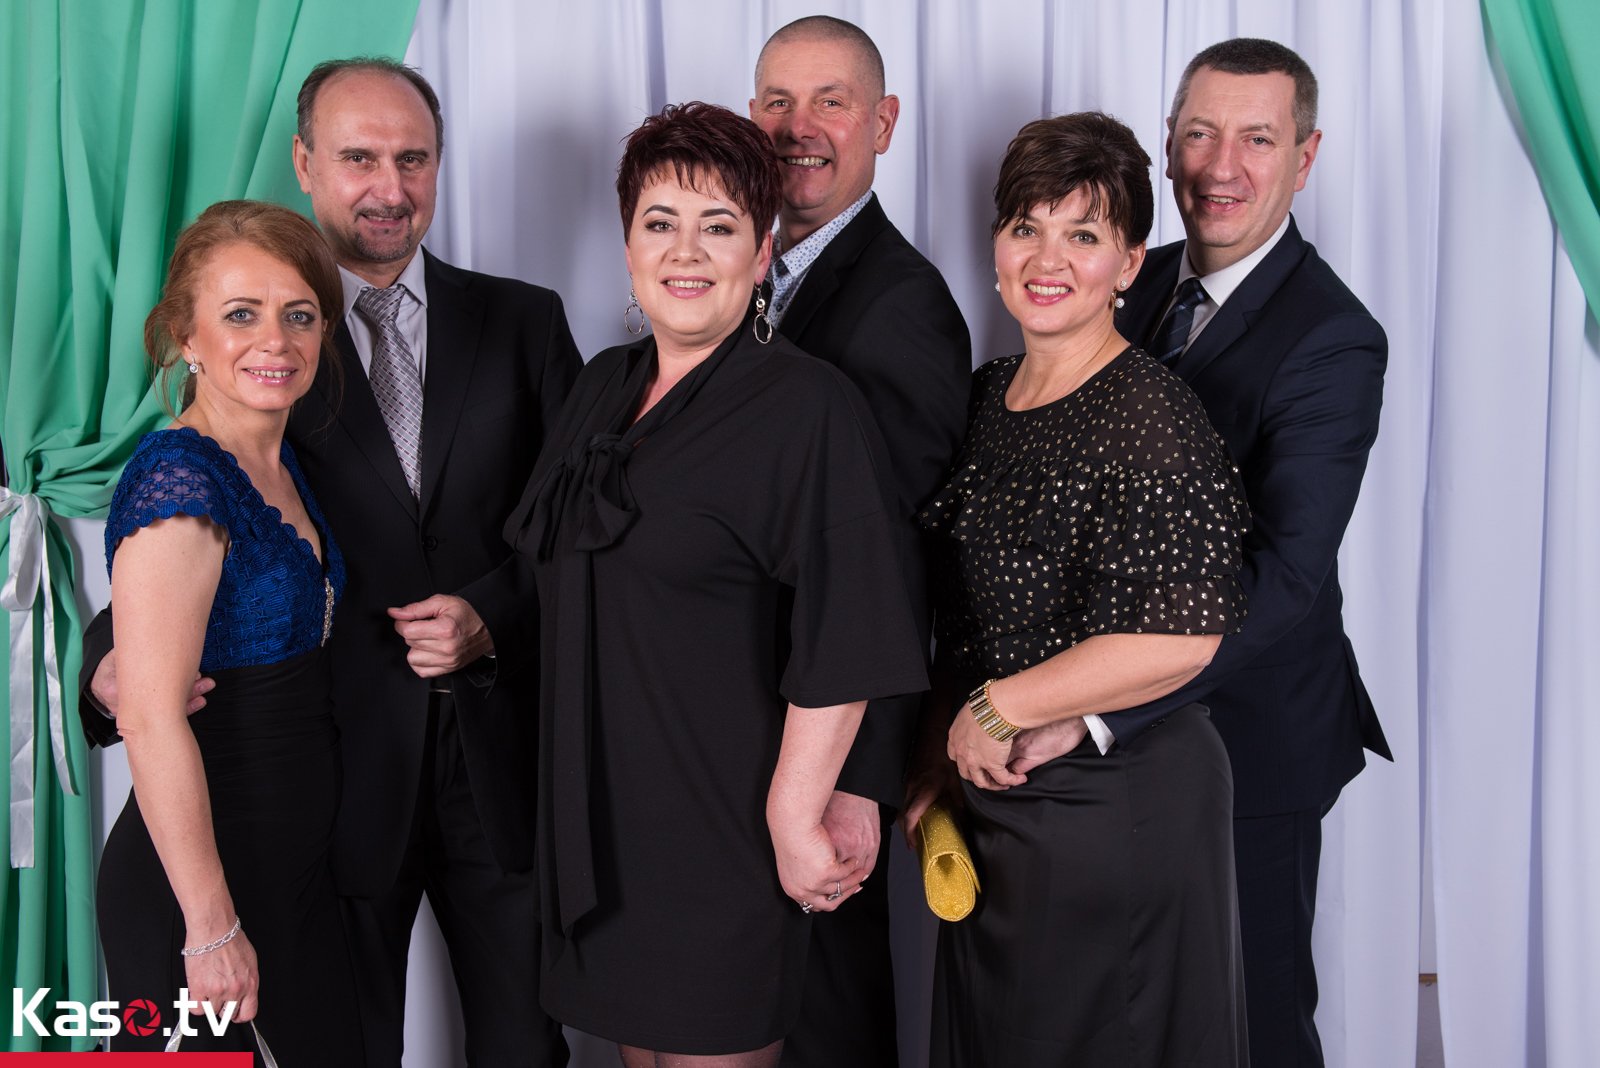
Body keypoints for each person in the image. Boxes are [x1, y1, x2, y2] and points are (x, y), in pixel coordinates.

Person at [82, 58, 582, 1066]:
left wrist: (492, 613)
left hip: (495, 768)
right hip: (335, 783)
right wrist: (109, 664)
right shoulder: (265, 331)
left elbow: (576, 532)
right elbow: (178, 521)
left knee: (526, 1049)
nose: (388, 188)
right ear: (305, 164)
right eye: (359, 158)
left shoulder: (523, 323)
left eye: (412, 159)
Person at [505, 101, 927, 1067]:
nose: (685, 251)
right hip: (600, 822)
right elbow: (550, 566)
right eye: (660, 223)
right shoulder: (601, 386)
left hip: (724, 824)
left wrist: (796, 812)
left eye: (720, 225)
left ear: (763, 250)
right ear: (627, 246)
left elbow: (851, 625)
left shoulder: (807, 407)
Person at [905, 112, 1251, 1066]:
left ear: (1130, 263)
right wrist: (938, 750)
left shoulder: (1150, 412)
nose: (1047, 258)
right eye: (1027, 227)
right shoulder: (988, 393)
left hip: (1120, 811)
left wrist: (996, 709)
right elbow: (965, 612)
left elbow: (1182, 636)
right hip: (1001, 805)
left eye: (1084, 234)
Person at [1084, 38, 1388, 1066]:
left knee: (1252, 1023)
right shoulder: (1128, 284)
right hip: (1114, 737)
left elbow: (1285, 578)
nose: (1221, 167)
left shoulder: (1333, 336)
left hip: (1250, 740)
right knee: (1132, 1018)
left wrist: (1096, 709)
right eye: (1201, 134)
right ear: (1167, 143)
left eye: (1256, 138)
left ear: (1305, 156)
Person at [748, 19, 972, 1064]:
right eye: (777, 102)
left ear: (882, 123)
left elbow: (892, 566)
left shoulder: (902, 305)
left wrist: (859, 778)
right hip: (748, 734)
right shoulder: (737, 271)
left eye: (830, 103)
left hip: (830, 755)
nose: (799, 128)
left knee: (827, 1023)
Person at [97, 199, 362, 1063]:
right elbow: (150, 717)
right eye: (241, 315)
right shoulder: (179, 480)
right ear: (186, 337)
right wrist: (211, 927)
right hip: (199, 889)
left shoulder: (280, 461)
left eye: (299, 315)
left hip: (294, 871)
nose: (275, 341)